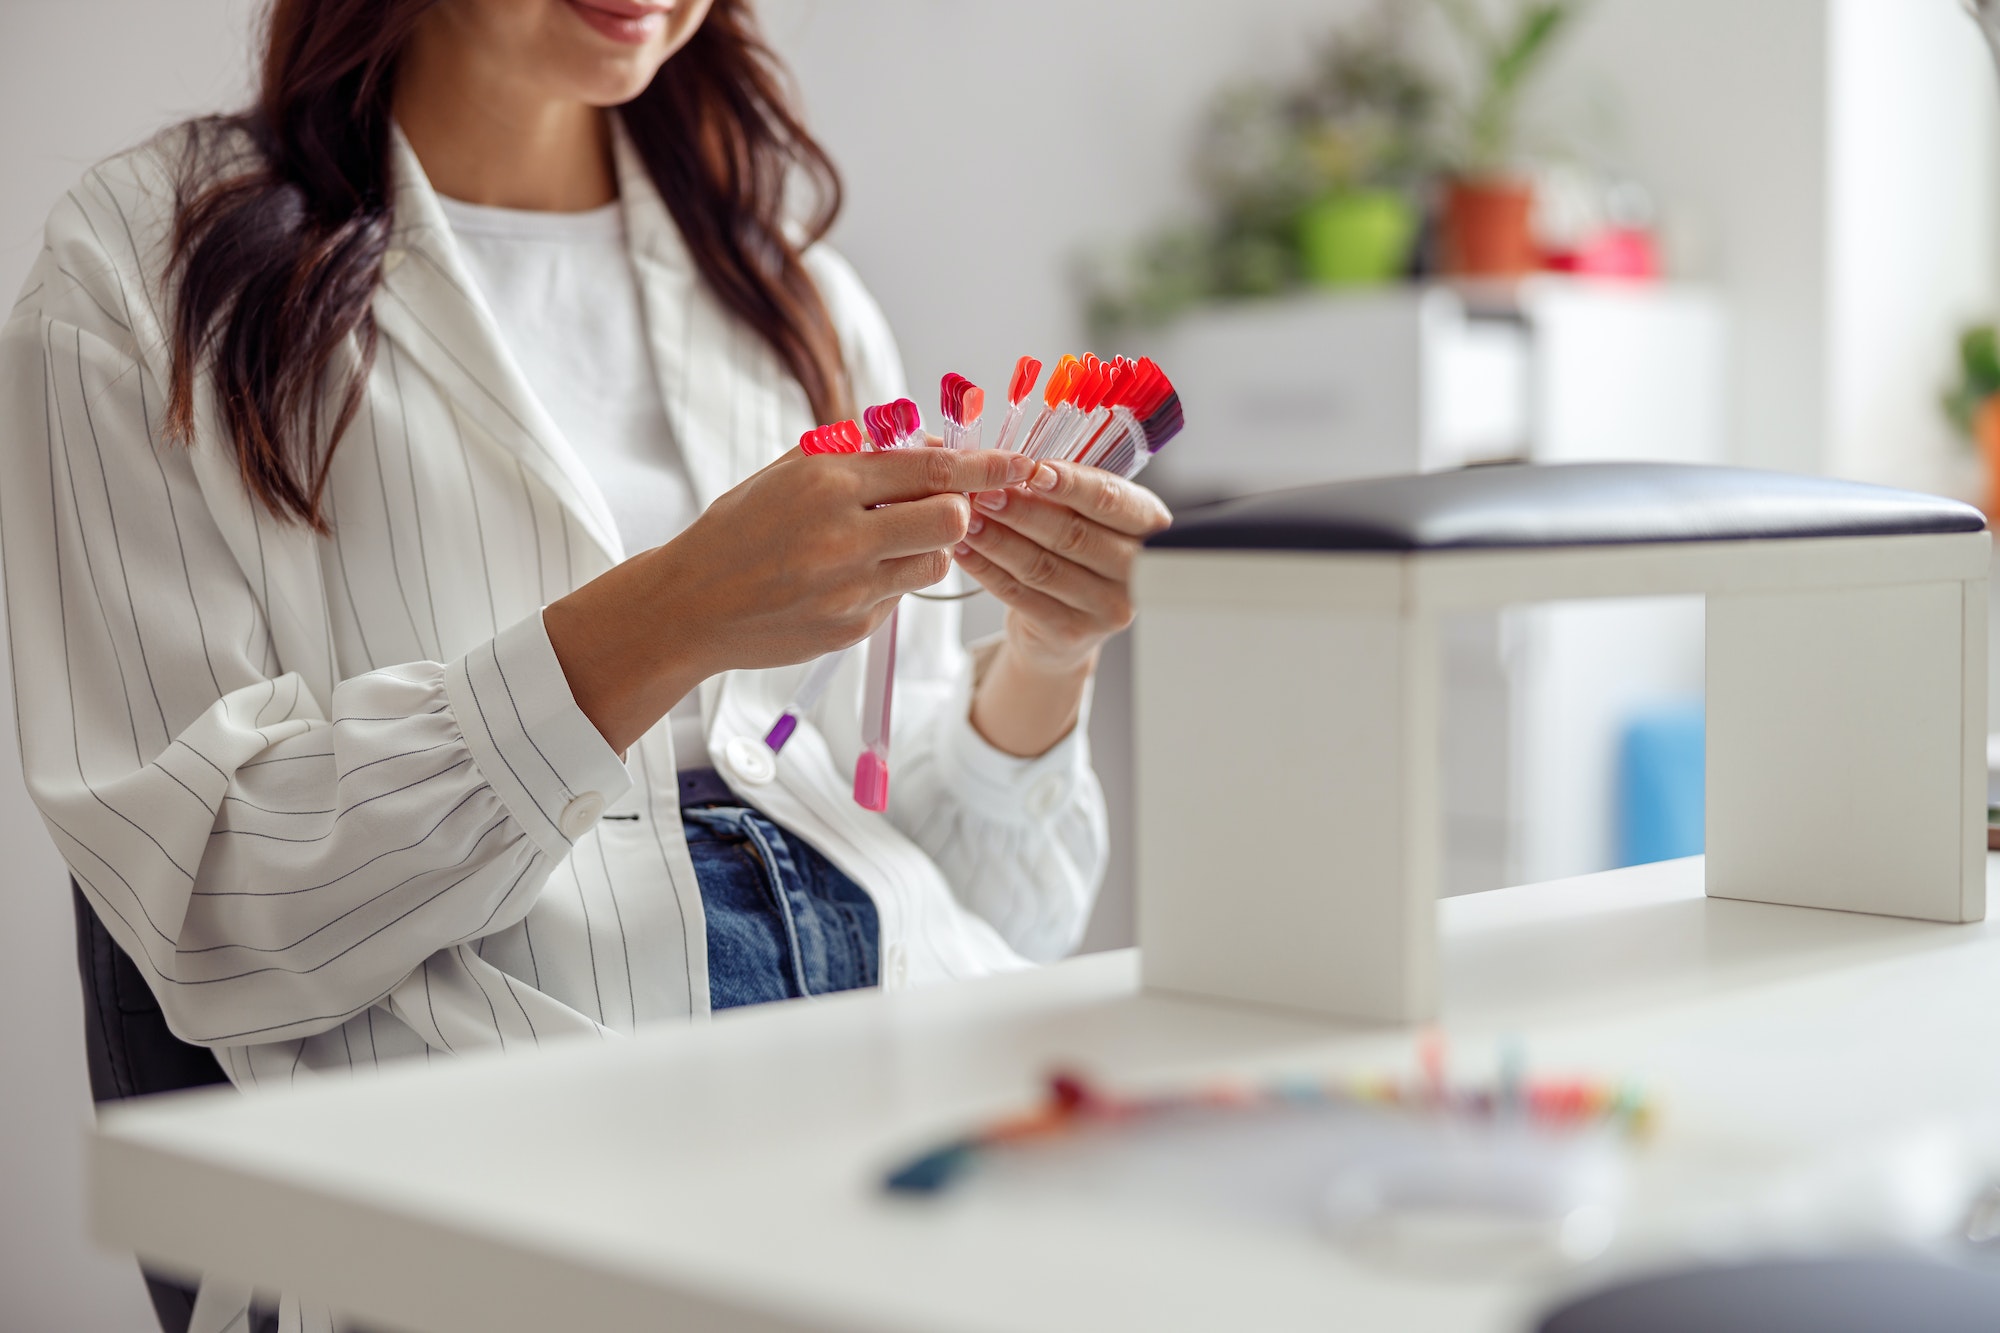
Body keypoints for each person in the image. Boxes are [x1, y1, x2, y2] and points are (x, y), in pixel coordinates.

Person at [1, 0, 1167, 1326]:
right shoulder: (143, 277)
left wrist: (1051, 647)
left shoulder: (792, 298)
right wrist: (667, 615)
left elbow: (955, 881)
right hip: (514, 1165)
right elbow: (207, 902)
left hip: (931, 1087)